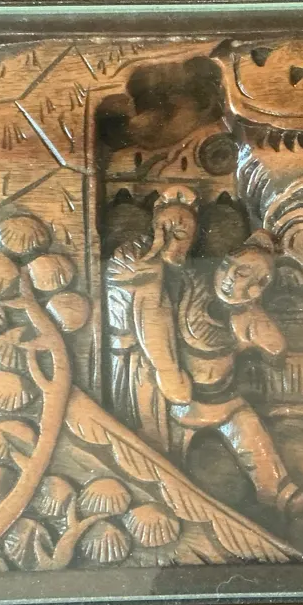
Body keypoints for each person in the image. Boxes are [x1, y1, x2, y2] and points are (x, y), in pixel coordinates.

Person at [171, 231, 303, 517]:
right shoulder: (192, 287)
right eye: (226, 265)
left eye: (242, 273)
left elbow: (276, 350)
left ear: (257, 288)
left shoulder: (248, 316)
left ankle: (278, 490)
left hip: (226, 401)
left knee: (250, 432)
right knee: (168, 456)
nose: (229, 276)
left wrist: (251, 325)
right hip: (182, 404)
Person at [104, 187, 199, 453]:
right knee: (146, 430)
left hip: (135, 355)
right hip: (134, 359)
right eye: (172, 232)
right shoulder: (141, 261)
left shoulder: (147, 259)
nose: (176, 242)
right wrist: (169, 373)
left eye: (183, 235)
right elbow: (150, 316)